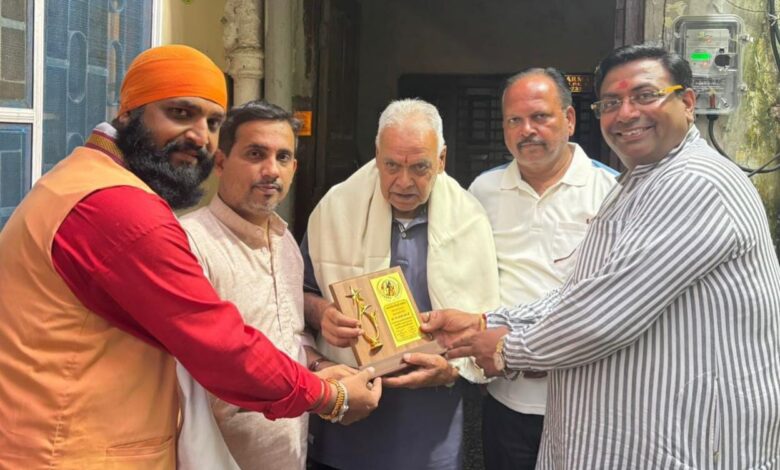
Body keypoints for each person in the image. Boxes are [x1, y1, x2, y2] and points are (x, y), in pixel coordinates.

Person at [0, 45, 380, 470]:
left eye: (213, 122)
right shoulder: (120, 209)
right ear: (128, 114)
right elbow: (222, 349)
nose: (199, 136)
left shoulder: (82, 182)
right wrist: (330, 397)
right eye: (180, 113)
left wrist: (317, 359)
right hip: (69, 450)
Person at [423, 44, 780, 469]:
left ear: (687, 103)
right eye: (611, 102)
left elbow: (605, 313)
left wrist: (505, 349)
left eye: (645, 95)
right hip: (586, 419)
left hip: (697, 441)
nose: (626, 113)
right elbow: (582, 293)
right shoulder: (636, 185)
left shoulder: (696, 183)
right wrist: (485, 322)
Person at [301, 98, 500, 470]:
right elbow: (299, 293)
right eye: (392, 165)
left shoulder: (470, 220)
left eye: (419, 167)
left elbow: (487, 317)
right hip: (346, 418)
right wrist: (323, 313)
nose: (404, 182)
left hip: (431, 427)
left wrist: (452, 370)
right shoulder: (335, 210)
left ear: (441, 159)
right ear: (377, 155)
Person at [177, 100, 355, 470]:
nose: (271, 170)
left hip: (289, 455)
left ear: (294, 168)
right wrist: (330, 397)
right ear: (220, 162)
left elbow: (287, 336)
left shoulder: (284, 242)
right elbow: (218, 363)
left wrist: (320, 365)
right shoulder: (190, 243)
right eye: (256, 154)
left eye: (283, 157)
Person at [468, 67, 616, 470]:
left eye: (539, 117)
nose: (526, 130)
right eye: (514, 120)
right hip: (506, 399)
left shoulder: (612, 192)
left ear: (569, 119)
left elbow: (613, 302)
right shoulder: (482, 191)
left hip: (587, 402)